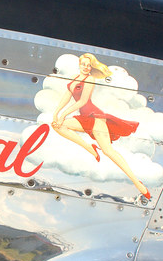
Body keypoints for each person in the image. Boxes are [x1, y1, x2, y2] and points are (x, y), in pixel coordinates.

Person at [51, 53, 150, 199]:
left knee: (109, 151)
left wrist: (64, 114)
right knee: (58, 126)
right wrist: (56, 113)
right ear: (79, 64)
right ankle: (90, 148)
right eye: (83, 64)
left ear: (92, 67)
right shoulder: (76, 78)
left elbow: (83, 101)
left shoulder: (90, 79)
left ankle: (137, 182)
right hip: (84, 117)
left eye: (88, 65)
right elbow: (67, 96)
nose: (85, 67)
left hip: (94, 117)